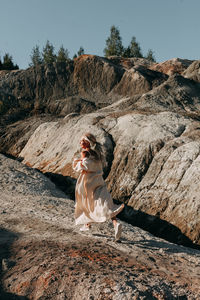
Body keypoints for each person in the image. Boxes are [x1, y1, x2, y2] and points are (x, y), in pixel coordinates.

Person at [72, 133, 124, 241]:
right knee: (105, 203)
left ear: (88, 143)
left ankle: (87, 225)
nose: (81, 142)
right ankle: (115, 224)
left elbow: (84, 167)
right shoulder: (96, 153)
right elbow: (98, 166)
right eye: (81, 140)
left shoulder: (84, 153)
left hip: (88, 182)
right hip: (99, 180)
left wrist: (78, 162)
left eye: (83, 141)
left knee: (88, 203)